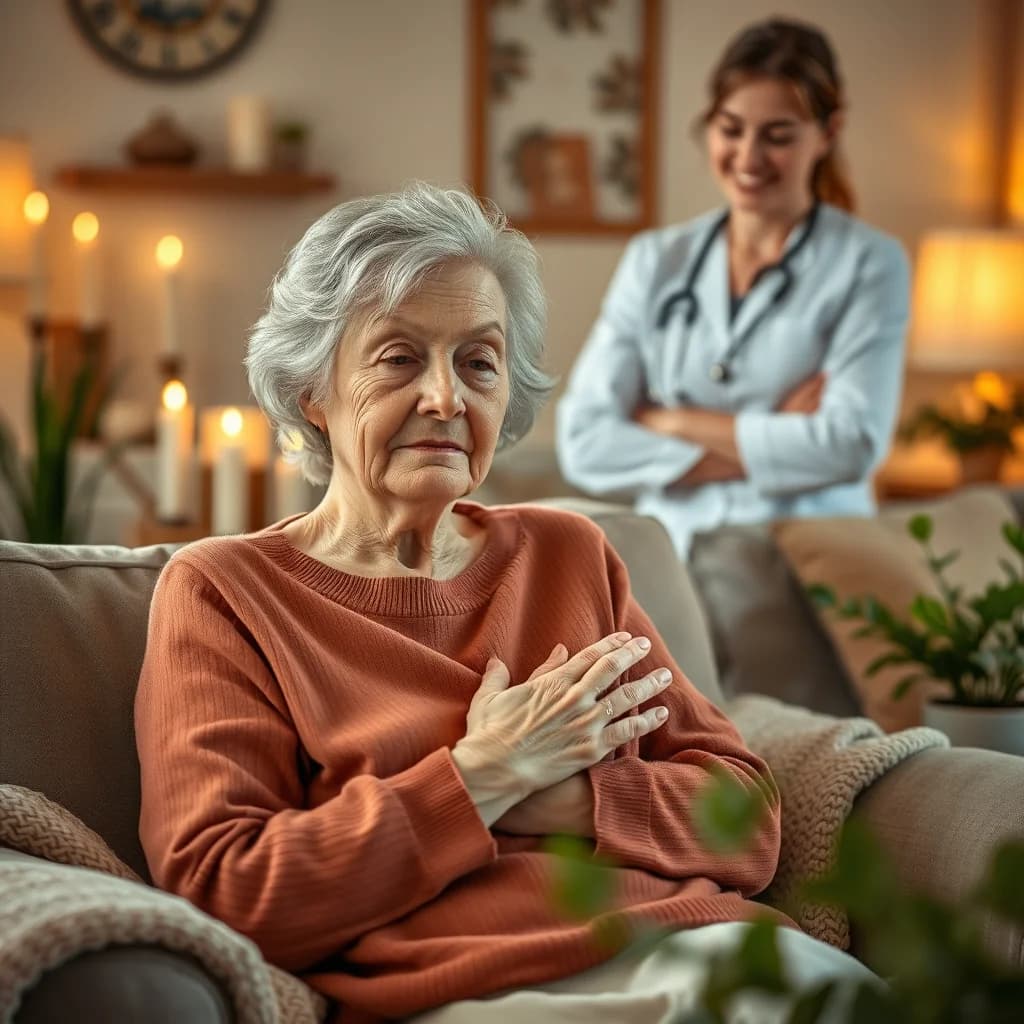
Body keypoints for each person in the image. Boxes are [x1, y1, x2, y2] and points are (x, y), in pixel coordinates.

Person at [135, 183, 876, 1024]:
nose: (447, 398)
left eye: (478, 363)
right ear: (314, 392)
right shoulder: (227, 591)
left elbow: (748, 823)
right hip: (482, 990)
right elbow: (228, 889)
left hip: (710, 947)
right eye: (399, 358)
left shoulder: (567, 554)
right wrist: (485, 773)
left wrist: (564, 797)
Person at [556, 18, 911, 557]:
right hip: (672, 562)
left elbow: (851, 444)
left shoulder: (869, 263)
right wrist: (777, 435)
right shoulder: (656, 260)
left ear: (829, 133)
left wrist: (670, 422)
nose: (747, 158)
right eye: (731, 129)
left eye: (778, 136)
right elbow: (583, 441)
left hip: (803, 561)